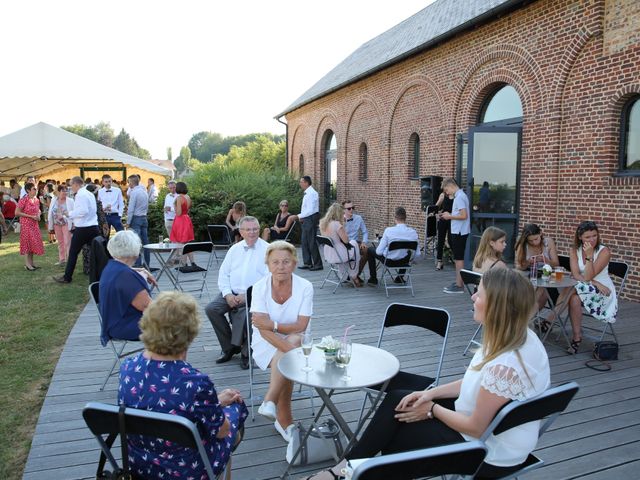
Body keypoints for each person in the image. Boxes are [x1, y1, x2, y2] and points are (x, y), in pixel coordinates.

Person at [308, 268, 550, 480]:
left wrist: (432, 409)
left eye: (480, 293)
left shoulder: (506, 364)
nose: (473, 297)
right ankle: (345, 468)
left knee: (398, 438)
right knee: (401, 399)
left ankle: (346, 472)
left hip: (489, 451)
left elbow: (476, 427)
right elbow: (477, 382)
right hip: (487, 428)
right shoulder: (516, 336)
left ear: (497, 306)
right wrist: (428, 394)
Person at [118, 291, 247, 479]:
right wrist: (219, 407)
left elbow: (163, 406)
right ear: (190, 332)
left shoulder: (128, 369)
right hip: (188, 469)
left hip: (141, 465)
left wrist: (214, 402)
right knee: (236, 408)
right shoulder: (195, 383)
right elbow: (221, 431)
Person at [250, 241, 313, 442]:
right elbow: (261, 329)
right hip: (265, 342)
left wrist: (273, 324)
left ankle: (270, 401)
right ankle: (284, 419)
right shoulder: (259, 288)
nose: (280, 266)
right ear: (267, 264)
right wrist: (289, 349)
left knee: (293, 341)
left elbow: (301, 325)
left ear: (294, 264)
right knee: (290, 354)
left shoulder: (305, 287)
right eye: (275, 262)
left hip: (298, 338)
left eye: (286, 261)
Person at [205, 216, 269, 370]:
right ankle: (229, 347)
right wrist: (227, 294)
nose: (252, 232)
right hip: (231, 292)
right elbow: (223, 274)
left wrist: (246, 295)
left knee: (248, 314)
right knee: (211, 309)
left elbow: (269, 279)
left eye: (255, 229)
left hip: (255, 295)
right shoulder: (234, 249)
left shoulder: (267, 249)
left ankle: (247, 353)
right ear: (241, 231)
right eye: (248, 229)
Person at [556, 221, 618, 355]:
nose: (592, 240)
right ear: (580, 237)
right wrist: (594, 282)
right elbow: (576, 274)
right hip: (587, 287)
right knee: (573, 299)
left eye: (594, 236)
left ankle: (550, 320)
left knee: (573, 285)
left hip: (603, 292)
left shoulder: (604, 251)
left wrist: (589, 255)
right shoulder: (574, 250)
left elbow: (588, 275)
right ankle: (577, 337)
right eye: (587, 237)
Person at [99, 230, 156, 344]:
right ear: (135, 251)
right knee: (175, 322)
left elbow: (122, 273)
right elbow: (150, 308)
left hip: (113, 322)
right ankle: (167, 360)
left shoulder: (111, 267)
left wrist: (139, 270)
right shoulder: (127, 277)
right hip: (126, 326)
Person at [53, 176, 101, 284]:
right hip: (93, 226)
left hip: (84, 228)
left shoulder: (81, 194)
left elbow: (83, 211)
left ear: (76, 184)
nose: (70, 188)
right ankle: (100, 274)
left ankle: (67, 277)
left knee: (73, 252)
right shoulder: (89, 193)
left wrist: (69, 214)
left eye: (71, 185)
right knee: (97, 252)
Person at [514, 223, 561, 317]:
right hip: (529, 275)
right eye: (531, 241)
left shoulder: (548, 242)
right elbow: (518, 266)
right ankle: (530, 317)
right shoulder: (522, 244)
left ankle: (528, 317)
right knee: (543, 290)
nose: (534, 242)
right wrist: (528, 262)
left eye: (536, 239)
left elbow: (556, 264)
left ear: (540, 233)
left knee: (544, 289)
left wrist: (545, 260)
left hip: (546, 275)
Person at [365, 206, 419, 286]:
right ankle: (400, 278)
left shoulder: (389, 231)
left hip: (389, 261)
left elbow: (379, 252)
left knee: (370, 250)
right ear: (405, 217)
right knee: (408, 252)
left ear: (395, 217)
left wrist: (386, 249)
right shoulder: (413, 232)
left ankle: (373, 279)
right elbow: (418, 254)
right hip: (403, 262)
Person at [320, 202, 362, 287]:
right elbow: (346, 240)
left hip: (328, 254)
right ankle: (354, 275)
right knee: (354, 244)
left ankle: (343, 275)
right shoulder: (337, 224)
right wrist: (343, 224)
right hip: (338, 254)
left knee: (350, 253)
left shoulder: (323, 223)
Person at [441, 178, 470, 294]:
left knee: (459, 259)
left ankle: (459, 286)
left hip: (459, 232)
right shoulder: (460, 196)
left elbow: (464, 216)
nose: (447, 193)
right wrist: (449, 215)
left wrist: (449, 216)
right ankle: (459, 282)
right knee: (458, 258)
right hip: (460, 231)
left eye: (447, 190)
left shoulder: (459, 197)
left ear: (451, 185)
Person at [169, 181, 200, 272]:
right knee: (187, 243)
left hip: (180, 221)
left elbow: (178, 213)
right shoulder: (188, 197)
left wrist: (174, 207)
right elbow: (187, 210)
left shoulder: (179, 198)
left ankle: (184, 263)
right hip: (187, 219)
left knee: (181, 243)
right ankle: (193, 262)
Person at [15, 182, 44, 270]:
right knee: (27, 243)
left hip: (34, 225)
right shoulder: (24, 199)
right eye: (34, 189)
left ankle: (31, 263)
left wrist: (38, 215)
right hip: (26, 224)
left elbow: (38, 210)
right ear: (28, 190)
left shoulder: (36, 200)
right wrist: (31, 216)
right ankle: (27, 264)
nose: (36, 190)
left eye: (36, 189)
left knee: (33, 243)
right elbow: (16, 213)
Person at [82, 184, 110, 275]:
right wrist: (105, 226)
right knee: (96, 247)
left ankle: (87, 268)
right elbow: (101, 216)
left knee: (86, 248)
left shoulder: (83, 202)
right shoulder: (97, 202)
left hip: (85, 227)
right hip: (95, 227)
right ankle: (96, 267)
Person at [124, 174, 150, 267]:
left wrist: (128, 222)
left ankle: (138, 264)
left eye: (128, 182)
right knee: (146, 242)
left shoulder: (134, 192)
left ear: (131, 182)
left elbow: (131, 209)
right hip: (144, 217)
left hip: (136, 218)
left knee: (136, 242)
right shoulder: (144, 191)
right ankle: (147, 263)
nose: (128, 184)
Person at [298, 176, 323, 271]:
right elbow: (306, 208)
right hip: (306, 217)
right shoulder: (307, 193)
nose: (300, 184)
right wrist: (302, 216)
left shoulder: (312, 193)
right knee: (304, 241)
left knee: (311, 241)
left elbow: (311, 210)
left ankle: (318, 264)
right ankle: (307, 262)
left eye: (301, 182)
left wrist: (299, 216)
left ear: (307, 182)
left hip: (311, 218)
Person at [48, 184, 75, 265]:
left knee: (67, 242)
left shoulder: (70, 201)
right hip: (56, 224)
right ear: (58, 192)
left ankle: (69, 260)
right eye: (63, 191)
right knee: (60, 242)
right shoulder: (54, 200)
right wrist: (50, 225)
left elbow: (73, 213)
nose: (65, 192)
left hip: (66, 223)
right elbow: (50, 212)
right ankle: (62, 259)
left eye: (66, 190)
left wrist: (73, 223)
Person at [342, 200, 369, 278]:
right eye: (349, 208)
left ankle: (356, 275)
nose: (351, 210)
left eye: (353, 208)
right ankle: (353, 275)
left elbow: (365, 232)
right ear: (344, 210)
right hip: (345, 244)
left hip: (356, 243)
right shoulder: (340, 220)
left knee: (367, 251)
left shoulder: (358, 218)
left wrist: (364, 242)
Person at [434, 188, 454, 271]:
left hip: (452, 220)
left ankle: (455, 259)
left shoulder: (457, 196)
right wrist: (437, 214)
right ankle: (439, 261)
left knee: (450, 240)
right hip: (443, 219)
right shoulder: (443, 195)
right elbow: (436, 207)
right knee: (440, 240)